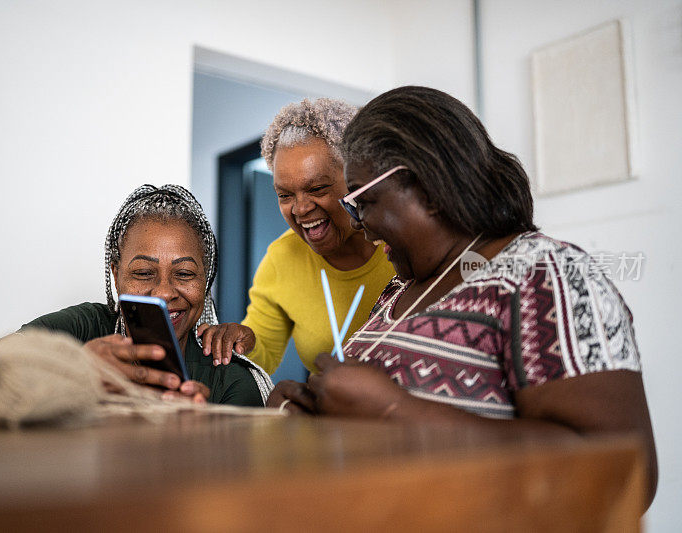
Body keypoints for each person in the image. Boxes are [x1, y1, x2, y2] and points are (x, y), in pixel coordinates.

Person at [266, 86, 658, 508]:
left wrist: (394, 413)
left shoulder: (544, 276)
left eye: (363, 202)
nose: (360, 225)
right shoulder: (401, 289)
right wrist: (317, 418)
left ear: (429, 190)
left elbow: (623, 474)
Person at [0, 184, 272, 406]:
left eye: (184, 274)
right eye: (143, 273)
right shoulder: (86, 327)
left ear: (205, 282)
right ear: (116, 274)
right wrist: (75, 371)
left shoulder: (229, 377)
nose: (163, 292)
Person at [199, 99, 396, 375]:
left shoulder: (399, 245)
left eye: (317, 188)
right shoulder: (283, 258)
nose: (301, 209)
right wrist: (244, 340)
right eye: (285, 195)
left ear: (356, 178)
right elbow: (262, 355)